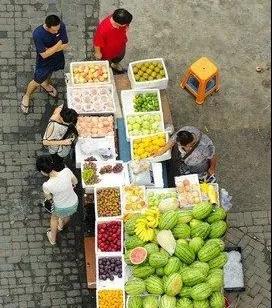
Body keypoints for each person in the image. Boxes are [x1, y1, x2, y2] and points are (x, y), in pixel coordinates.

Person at [21, 15, 69, 114]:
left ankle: (46, 84)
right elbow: (44, 55)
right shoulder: (38, 34)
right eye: (54, 31)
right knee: (37, 80)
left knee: (50, 73)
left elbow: (65, 45)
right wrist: (58, 44)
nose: (57, 32)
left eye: (58, 30)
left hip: (57, 58)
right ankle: (27, 95)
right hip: (44, 62)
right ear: (47, 26)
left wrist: (50, 50)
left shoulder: (60, 26)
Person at [36, 155, 78, 245]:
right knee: (67, 214)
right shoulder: (66, 171)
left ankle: (53, 238)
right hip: (74, 202)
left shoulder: (46, 185)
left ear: (42, 172)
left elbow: (49, 198)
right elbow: (75, 182)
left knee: (54, 218)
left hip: (60, 207)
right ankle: (61, 225)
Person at [93, 8, 133, 73]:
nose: (126, 25)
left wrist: (126, 27)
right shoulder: (103, 29)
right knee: (106, 64)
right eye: (125, 24)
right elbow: (97, 42)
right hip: (107, 52)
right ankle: (108, 69)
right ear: (118, 23)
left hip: (120, 46)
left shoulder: (118, 18)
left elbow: (126, 24)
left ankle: (115, 64)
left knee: (119, 57)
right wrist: (98, 53)